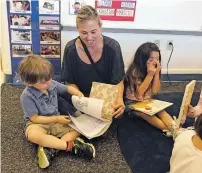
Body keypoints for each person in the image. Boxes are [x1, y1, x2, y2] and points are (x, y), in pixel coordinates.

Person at [19, 55, 95, 169]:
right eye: (44, 82)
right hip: (38, 123)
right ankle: (70, 146)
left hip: (56, 120)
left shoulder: (51, 83)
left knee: (80, 128)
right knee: (33, 135)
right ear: (29, 83)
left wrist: (79, 95)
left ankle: (50, 148)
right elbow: (34, 118)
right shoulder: (26, 96)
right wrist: (56, 119)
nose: (49, 82)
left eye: (50, 78)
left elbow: (68, 89)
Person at [61, 5, 125, 118]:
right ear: (78, 30)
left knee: (116, 116)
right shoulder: (71, 49)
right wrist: (84, 102)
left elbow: (118, 80)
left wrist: (119, 100)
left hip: (105, 96)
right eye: (84, 33)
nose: (89, 38)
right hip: (81, 96)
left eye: (93, 32)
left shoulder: (113, 47)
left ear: (100, 26)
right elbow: (69, 81)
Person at [124, 42, 177, 136]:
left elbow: (155, 91)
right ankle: (171, 131)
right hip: (131, 103)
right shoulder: (135, 71)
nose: (155, 62)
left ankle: (175, 127)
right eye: (151, 59)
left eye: (157, 59)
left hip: (146, 100)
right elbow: (139, 94)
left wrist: (156, 74)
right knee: (146, 114)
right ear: (142, 59)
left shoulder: (154, 68)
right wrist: (150, 75)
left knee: (161, 110)